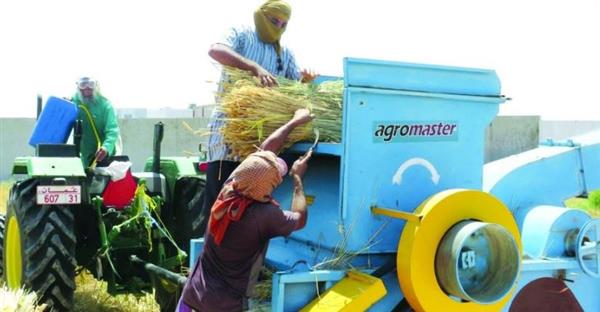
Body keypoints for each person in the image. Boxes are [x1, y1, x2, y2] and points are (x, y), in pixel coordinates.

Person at [178, 108, 314, 311]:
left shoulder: (230, 189)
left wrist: (294, 122)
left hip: (191, 298)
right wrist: (296, 180)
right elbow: (300, 218)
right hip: (224, 306)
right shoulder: (264, 215)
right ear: (267, 187)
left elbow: (264, 151)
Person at [200, 0, 317, 234]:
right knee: (219, 209)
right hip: (229, 140)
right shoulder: (242, 35)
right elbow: (215, 50)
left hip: (261, 150)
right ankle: (209, 263)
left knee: (249, 215)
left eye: (284, 24)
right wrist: (254, 67)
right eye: (274, 21)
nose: (278, 27)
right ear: (261, 15)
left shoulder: (284, 53)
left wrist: (305, 82)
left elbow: (291, 90)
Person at [71, 77, 120, 167]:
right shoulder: (73, 103)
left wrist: (106, 147)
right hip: (83, 156)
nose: (87, 88)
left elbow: (112, 130)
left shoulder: (105, 105)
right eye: (83, 84)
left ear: (96, 85)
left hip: (102, 155)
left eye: (91, 84)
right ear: (78, 86)